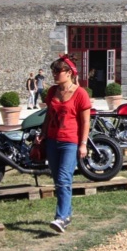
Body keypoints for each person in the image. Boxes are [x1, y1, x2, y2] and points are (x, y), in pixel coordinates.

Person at [38, 56, 91, 233]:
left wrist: (83, 144)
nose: (54, 74)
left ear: (69, 73)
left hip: (70, 141)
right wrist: (43, 134)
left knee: (63, 178)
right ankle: (67, 214)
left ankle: (60, 217)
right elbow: (48, 115)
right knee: (58, 179)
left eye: (57, 71)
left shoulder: (80, 93)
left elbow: (85, 122)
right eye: (53, 71)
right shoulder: (52, 91)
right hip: (52, 140)